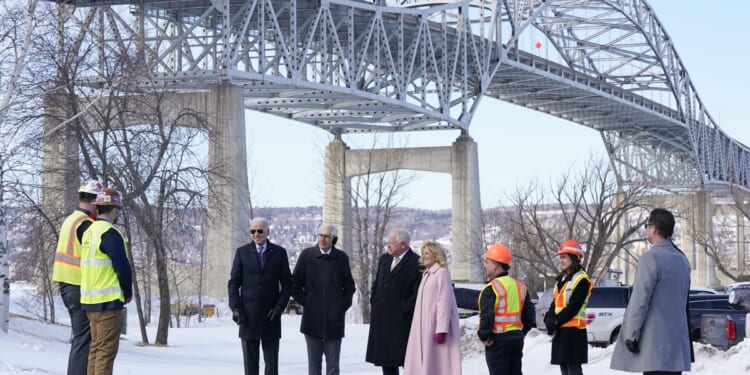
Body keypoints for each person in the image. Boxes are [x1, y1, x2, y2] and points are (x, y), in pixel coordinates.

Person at [611, 208, 692, 375]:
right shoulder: (682, 259)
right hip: (677, 347)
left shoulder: (651, 258)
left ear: (653, 229)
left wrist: (631, 334)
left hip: (654, 346)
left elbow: (640, 300)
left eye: (647, 226)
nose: (646, 230)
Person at [228, 217, 292, 375]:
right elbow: (234, 283)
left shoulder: (279, 253)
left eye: (260, 231)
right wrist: (235, 308)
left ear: (268, 232)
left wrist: (279, 307)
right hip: (247, 317)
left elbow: (287, 284)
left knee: (271, 366)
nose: (256, 234)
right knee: (250, 367)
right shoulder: (242, 252)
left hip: (271, 316)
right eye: (253, 231)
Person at [52, 179, 103, 375]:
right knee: (83, 341)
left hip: (67, 284)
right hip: (78, 285)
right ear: (94, 201)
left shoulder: (71, 219)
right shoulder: (86, 224)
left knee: (81, 339)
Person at [291, 223, 356, 375]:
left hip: (334, 321)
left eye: (326, 236)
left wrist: (340, 307)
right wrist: (306, 302)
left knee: (333, 366)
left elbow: (349, 287)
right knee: (314, 365)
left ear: (333, 239)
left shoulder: (341, 258)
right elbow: (295, 283)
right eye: (320, 235)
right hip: (312, 320)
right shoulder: (307, 255)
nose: (322, 239)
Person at [80, 188, 132, 375]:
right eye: (117, 209)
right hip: (108, 304)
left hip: (90, 303)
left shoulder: (89, 232)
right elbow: (122, 267)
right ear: (113, 209)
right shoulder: (110, 233)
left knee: (95, 350)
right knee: (105, 353)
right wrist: (127, 293)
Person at [365, 228, 422, 375]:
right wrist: (375, 301)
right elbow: (377, 283)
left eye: (391, 243)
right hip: (382, 319)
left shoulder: (416, 262)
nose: (388, 246)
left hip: (402, 321)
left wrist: (404, 308)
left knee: (405, 360)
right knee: (387, 361)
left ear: (403, 245)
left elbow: (417, 293)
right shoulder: (385, 259)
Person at [404, 241, 461, 375]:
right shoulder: (426, 275)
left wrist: (441, 328)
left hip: (434, 327)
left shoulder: (441, 273)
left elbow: (444, 301)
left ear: (436, 255)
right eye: (423, 253)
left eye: (427, 253)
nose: (424, 256)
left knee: (437, 363)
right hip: (422, 327)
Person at [478, 243, 535, 375]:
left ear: (496, 264)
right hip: (516, 339)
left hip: (497, 341)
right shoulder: (520, 286)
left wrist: (484, 336)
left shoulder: (491, 288)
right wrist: (520, 333)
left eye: (487, 262)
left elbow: (486, 316)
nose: (485, 265)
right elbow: (529, 316)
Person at [544, 239, 592, 375]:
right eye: (560, 257)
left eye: (564, 257)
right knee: (565, 370)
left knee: (573, 371)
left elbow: (573, 307)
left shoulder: (581, 279)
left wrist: (555, 321)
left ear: (574, 258)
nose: (561, 260)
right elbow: (555, 304)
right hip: (562, 332)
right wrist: (549, 319)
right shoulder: (561, 280)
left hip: (574, 332)